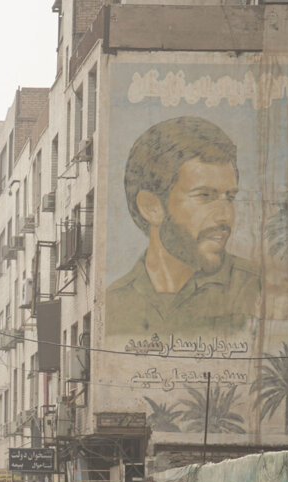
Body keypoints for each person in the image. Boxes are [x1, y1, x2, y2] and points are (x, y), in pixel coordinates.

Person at [105, 116, 261, 339]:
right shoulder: (113, 304)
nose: (225, 215)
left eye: (230, 197)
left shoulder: (256, 287)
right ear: (151, 207)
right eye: (205, 196)